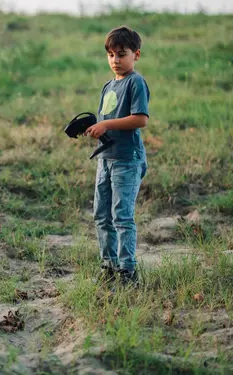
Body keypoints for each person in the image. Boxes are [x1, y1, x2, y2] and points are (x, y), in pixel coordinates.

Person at [84, 25, 150, 287]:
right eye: (111, 54)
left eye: (122, 54)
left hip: (126, 159)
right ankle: (108, 266)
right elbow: (107, 120)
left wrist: (107, 126)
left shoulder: (136, 82)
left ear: (136, 55)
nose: (115, 60)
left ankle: (128, 272)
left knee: (122, 216)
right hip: (106, 159)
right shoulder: (108, 86)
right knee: (101, 215)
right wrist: (93, 129)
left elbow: (140, 119)